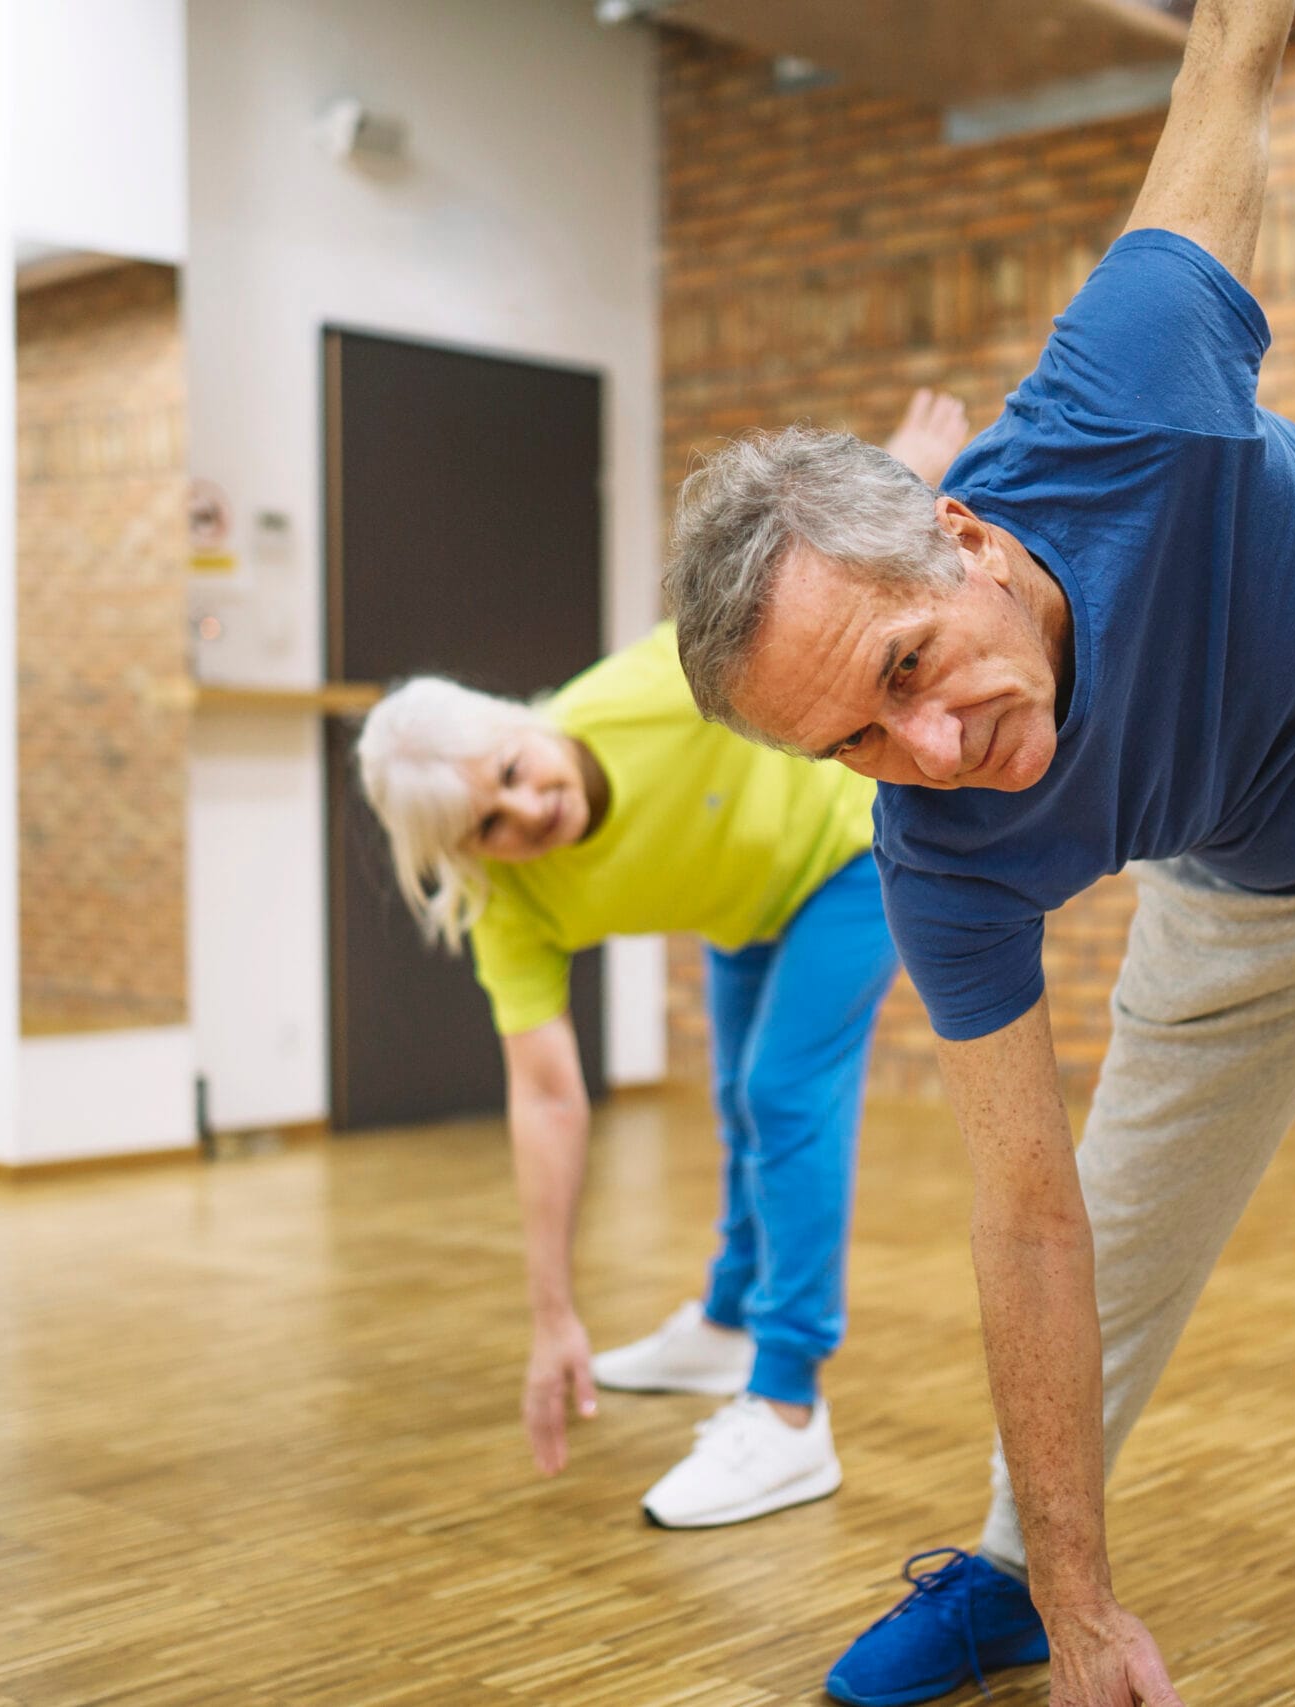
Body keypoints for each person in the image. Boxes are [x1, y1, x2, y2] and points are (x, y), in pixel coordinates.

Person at [661, 3, 1295, 1701]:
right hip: (1247, 860)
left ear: (958, 535)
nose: (932, 752)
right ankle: (1029, 1582)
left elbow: (1230, 51)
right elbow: (1026, 1223)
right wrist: (1102, 1609)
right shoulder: (934, 846)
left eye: (905, 670)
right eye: (858, 744)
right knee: (1110, 1211)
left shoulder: (1141, 384)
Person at [355, 391, 971, 1529]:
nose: (523, 809)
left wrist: (898, 472)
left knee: (785, 1091)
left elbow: (798, 580)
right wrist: (553, 1317)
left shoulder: (649, 686)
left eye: (509, 768)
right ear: (465, 856)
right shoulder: (511, 905)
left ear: (518, 718)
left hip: (843, 860)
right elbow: (546, 1101)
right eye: (486, 823)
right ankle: (727, 1320)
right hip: (742, 910)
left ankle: (787, 1408)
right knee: (737, 1095)